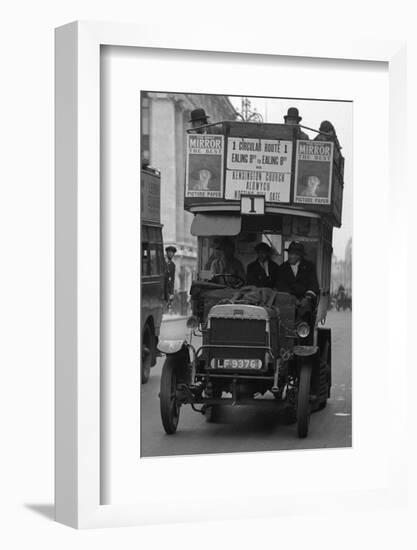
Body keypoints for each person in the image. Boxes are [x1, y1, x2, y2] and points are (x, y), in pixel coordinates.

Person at [276, 241, 319, 317]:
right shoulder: (282, 268)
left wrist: (307, 299)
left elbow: (313, 285)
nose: (289, 256)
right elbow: (281, 286)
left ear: (299, 256)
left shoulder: (309, 267)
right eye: (289, 253)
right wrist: (292, 299)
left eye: (293, 254)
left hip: (305, 302)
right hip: (288, 302)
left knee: (306, 315)